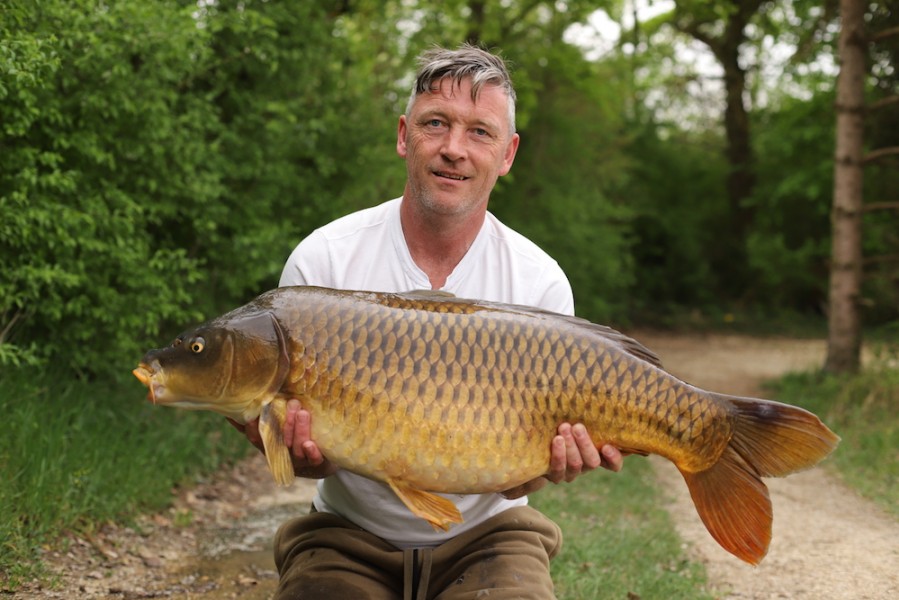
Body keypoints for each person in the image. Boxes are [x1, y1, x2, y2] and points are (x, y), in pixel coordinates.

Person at [236, 43, 624, 600]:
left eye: (480, 132)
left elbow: (523, 476)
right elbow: (309, 464)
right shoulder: (324, 262)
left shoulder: (538, 281)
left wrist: (554, 463)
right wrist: (296, 453)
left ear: (508, 154)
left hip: (491, 535)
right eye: (435, 124)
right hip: (347, 532)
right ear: (403, 135)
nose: (453, 149)